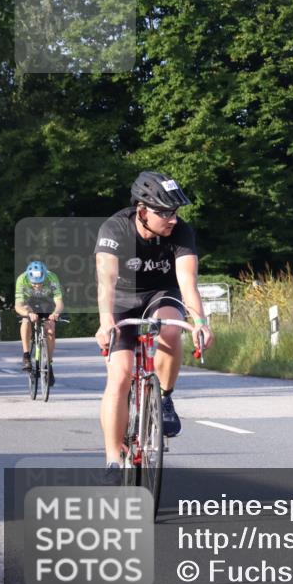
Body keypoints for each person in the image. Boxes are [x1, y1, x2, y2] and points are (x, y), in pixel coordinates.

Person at [94, 171, 214, 484]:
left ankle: (164, 396)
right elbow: (105, 281)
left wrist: (200, 321)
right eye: (164, 213)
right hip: (121, 299)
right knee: (119, 375)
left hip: (161, 293)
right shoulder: (115, 228)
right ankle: (112, 458)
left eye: (175, 212)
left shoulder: (181, 231)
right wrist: (106, 321)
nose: (172, 219)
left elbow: (187, 282)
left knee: (173, 328)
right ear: (142, 210)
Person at [14, 261, 65, 384]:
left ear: (45, 277)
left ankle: (49, 363)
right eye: (34, 283)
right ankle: (26, 356)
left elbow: (59, 302)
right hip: (29, 303)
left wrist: (55, 313)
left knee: (51, 329)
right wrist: (27, 314)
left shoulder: (52, 277)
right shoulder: (22, 279)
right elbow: (18, 305)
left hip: (46, 302)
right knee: (26, 320)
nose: (37, 286)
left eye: (40, 283)